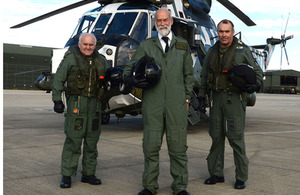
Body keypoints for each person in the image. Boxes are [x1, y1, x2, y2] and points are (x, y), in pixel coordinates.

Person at [123, 8, 194, 195]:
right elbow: (129, 68)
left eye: (165, 20)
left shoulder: (182, 45)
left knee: (178, 149)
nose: (162, 23)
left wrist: (187, 98)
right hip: (152, 104)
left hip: (176, 105)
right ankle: (149, 186)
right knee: (151, 147)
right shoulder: (147, 45)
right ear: (155, 23)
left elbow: (189, 75)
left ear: (171, 22)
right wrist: (131, 79)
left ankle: (180, 187)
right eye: (159, 20)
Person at [198, 19, 263, 189]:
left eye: (227, 31)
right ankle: (216, 173)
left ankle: (241, 177)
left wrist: (255, 84)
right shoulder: (212, 51)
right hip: (215, 99)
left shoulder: (242, 51)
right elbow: (205, 76)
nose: (224, 35)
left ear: (232, 32)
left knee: (235, 138)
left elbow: (257, 71)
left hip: (234, 100)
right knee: (216, 137)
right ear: (217, 32)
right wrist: (200, 96)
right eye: (221, 31)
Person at [52, 33, 108, 188]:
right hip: (77, 104)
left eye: (91, 45)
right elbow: (59, 79)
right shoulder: (70, 59)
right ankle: (67, 175)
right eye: (85, 44)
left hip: (95, 106)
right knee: (73, 141)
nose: (88, 47)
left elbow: (107, 80)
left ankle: (89, 174)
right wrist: (57, 100)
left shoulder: (101, 61)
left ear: (95, 45)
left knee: (92, 142)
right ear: (79, 44)